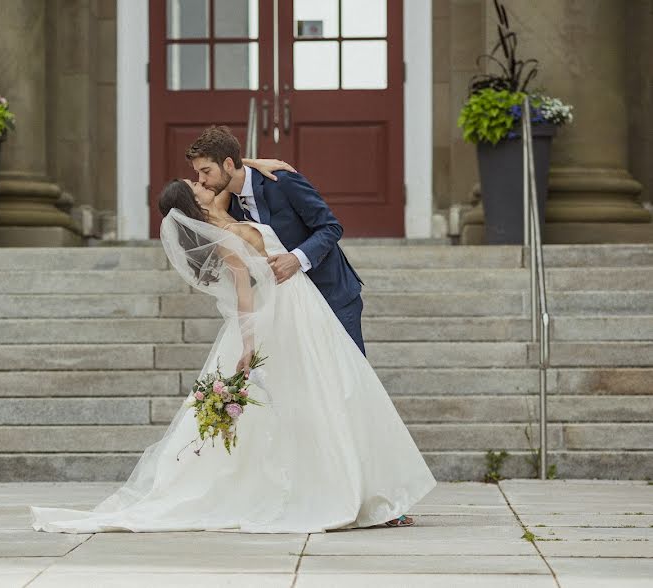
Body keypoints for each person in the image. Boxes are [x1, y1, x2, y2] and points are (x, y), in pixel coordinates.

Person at [29, 142, 436, 534]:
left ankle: (371, 495)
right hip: (282, 311)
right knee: (319, 397)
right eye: (197, 183)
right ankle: (339, 491)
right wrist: (247, 342)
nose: (203, 182)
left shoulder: (227, 203)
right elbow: (243, 288)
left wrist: (255, 161)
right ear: (193, 205)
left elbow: (236, 177)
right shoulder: (215, 228)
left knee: (345, 391)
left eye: (203, 174)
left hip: (315, 300)